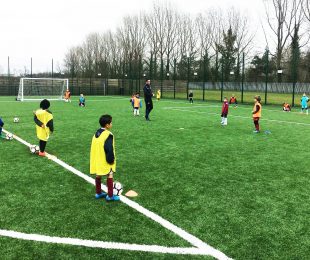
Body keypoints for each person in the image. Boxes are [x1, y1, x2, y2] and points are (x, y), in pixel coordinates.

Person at [90, 114, 119, 201]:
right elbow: (109, 148)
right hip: (105, 160)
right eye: (111, 123)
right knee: (110, 174)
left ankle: (98, 193)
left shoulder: (96, 133)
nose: (111, 124)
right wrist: (111, 160)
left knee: (98, 175)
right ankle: (110, 196)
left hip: (97, 159)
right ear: (107, 125)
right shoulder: (108, 134)